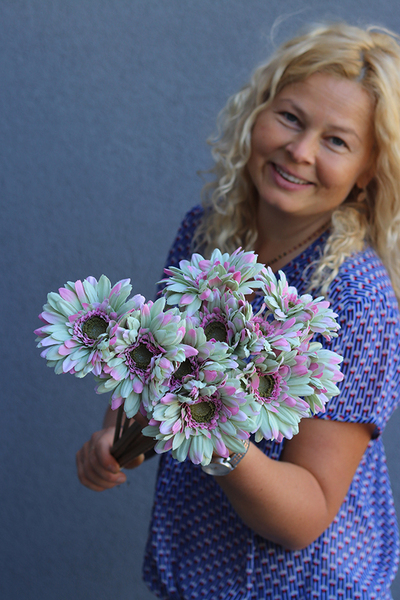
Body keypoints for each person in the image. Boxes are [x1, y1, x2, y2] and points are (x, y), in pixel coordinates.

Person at [76, 21, 400, 599]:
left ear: (366, 175)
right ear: (257, 112)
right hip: (197, 567)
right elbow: (153, 365)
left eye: (337, 141)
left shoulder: (358, 297)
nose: (299, 152)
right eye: (292, 118)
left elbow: (306, 515)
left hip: (302, 586)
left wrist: (210, 421)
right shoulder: (208, 233)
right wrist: (115, 436)